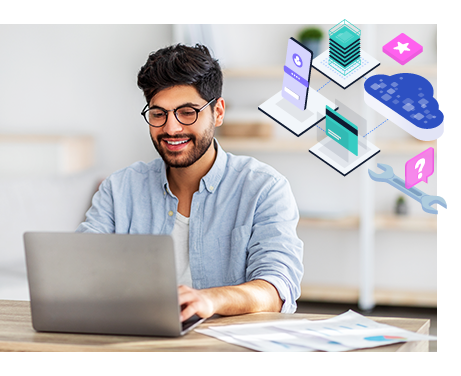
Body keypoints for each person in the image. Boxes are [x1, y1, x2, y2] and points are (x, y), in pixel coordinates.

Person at [76, 43, 304, 322]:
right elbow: (82, 269)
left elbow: (277, 289)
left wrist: (210, 298)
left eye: (187, 112)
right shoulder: (119, 189)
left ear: (218, 112)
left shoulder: (264, 188)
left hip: (227, 347)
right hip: (138, 341)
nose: (171, 128)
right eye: (158, 114)